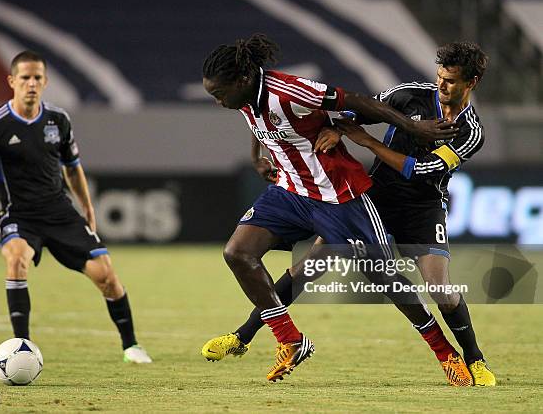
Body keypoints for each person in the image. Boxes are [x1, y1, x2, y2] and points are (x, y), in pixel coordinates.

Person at [202, 42, 495, 386]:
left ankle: (473, 358)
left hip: (421, 207)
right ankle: (246, 336)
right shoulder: (409, 94)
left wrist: (365, 141)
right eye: (440, 77)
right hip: (377, 193)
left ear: (471, 83)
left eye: (451, 81)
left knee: (440, 290)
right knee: (307, 268)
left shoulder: (471, 131)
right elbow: (358, 110)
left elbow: (420, 170)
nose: (441, 86)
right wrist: (338, 128)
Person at [0, 50, 152, 364]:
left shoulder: (58, 120)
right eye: (25, 77)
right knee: (16, 258)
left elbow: (73, 167)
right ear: (12, 81)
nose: (32, 83)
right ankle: (21, 347)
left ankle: (130, 345)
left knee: (106, 275)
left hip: (60, 213)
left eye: (38, 77)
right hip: (20, 215)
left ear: (46, 81)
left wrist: (87, 208)